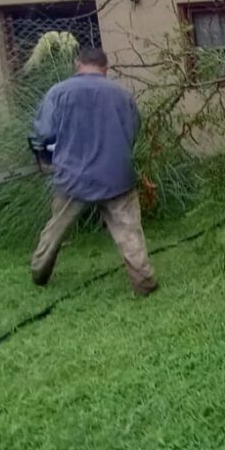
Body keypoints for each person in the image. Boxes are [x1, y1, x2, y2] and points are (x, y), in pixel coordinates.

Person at [29, 46, 158, 296]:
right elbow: (133, 130)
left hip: (72, 178)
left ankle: (39, 273)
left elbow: (42, 134)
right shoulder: (122, 94)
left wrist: (47, 158)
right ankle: (144, 283)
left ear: (78, 64)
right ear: (105, 67)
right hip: (116, 176)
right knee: (129, 232)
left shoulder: (58, 92)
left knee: (56, 229)